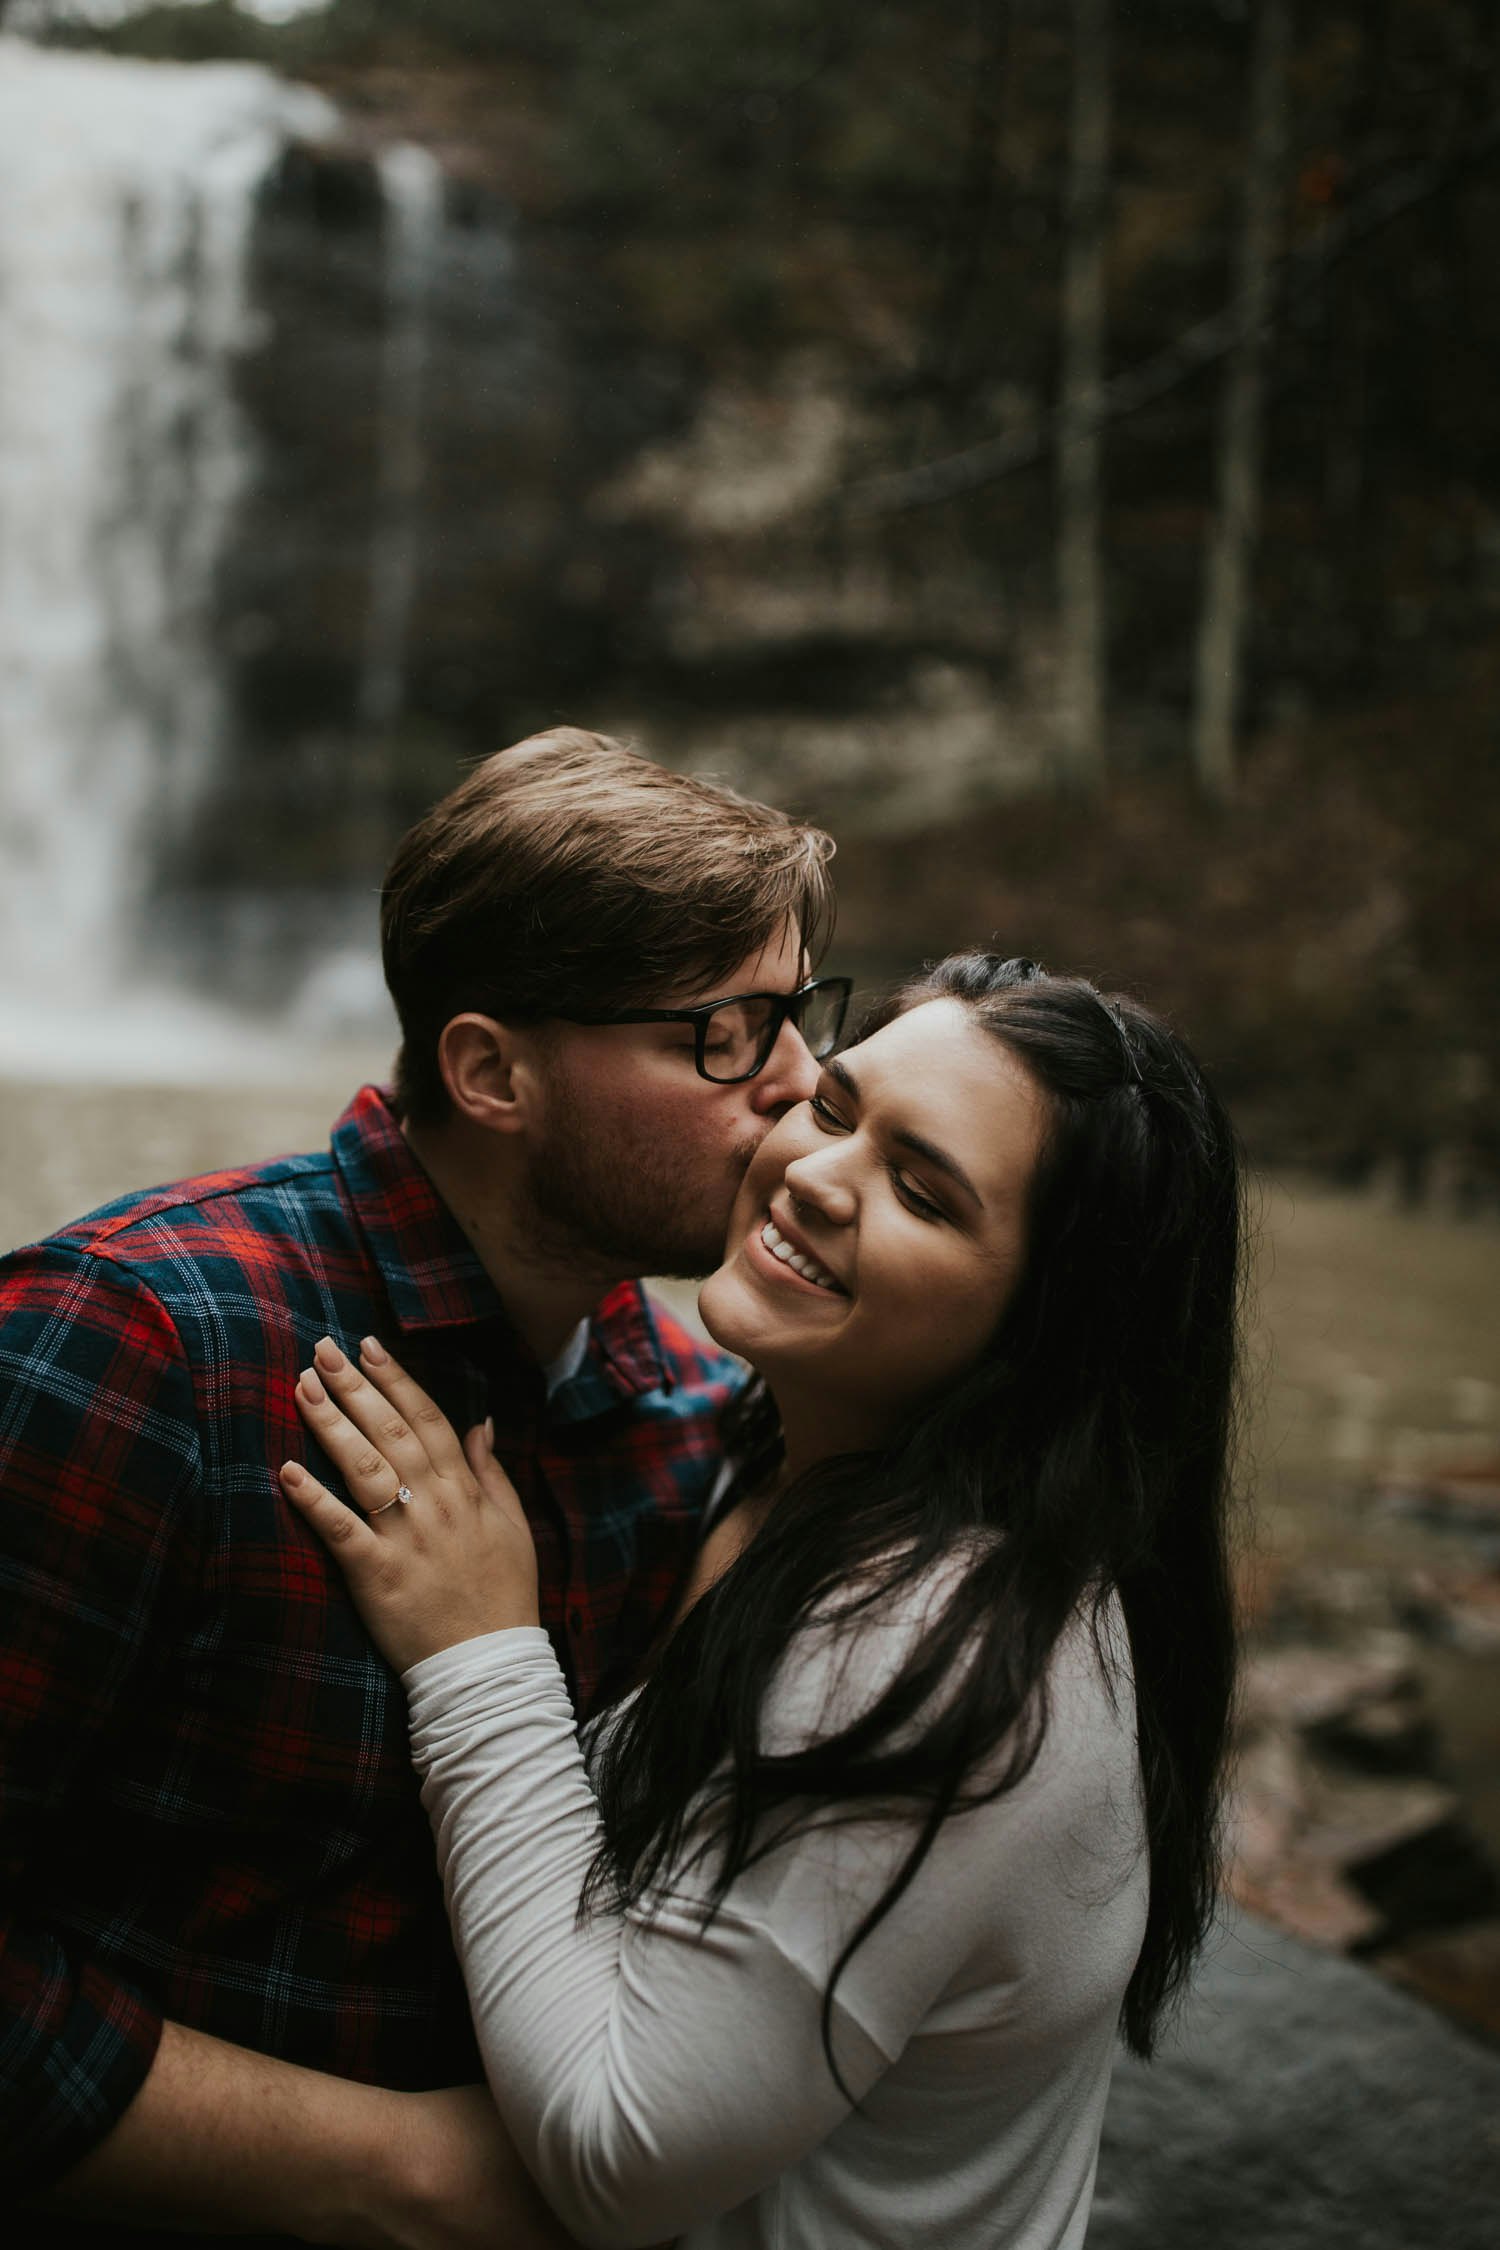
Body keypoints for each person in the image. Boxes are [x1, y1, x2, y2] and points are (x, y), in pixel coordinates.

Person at [0, 727, 843, 2247]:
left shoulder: (696, 1414)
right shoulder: (137, 1344)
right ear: (491, 1069)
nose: (804, 1083)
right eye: (728, 1032)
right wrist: (396, 2174)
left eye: (802, 1014)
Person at [282, 952, 1245, 2250]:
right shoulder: (802, 1457)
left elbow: (621, 2155)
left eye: (921, 1189)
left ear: (1047, 1327)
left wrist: (480, 1647)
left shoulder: (941, 1646)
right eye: (837, 1108)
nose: (812, 1171)